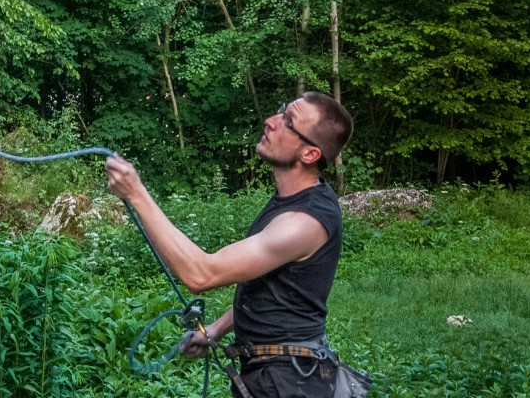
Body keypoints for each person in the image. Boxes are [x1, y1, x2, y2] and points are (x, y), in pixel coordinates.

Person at [106, 92, 354, 398]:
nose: (271, 121)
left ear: (309, 154)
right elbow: (276, 293)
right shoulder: (294, 199)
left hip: (289, 384)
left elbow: (201, 274)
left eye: (288, 122)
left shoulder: (303, 222)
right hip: (275, 372)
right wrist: (215, 330)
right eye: (281, 111)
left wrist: (136, 193)